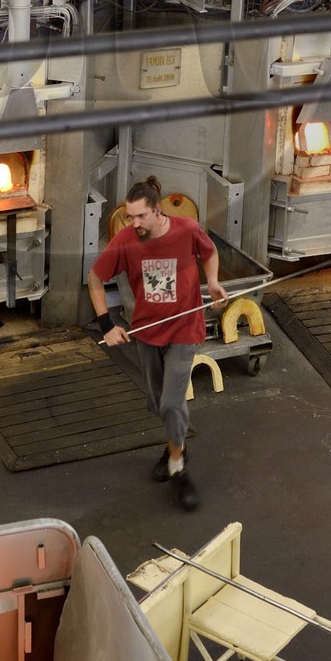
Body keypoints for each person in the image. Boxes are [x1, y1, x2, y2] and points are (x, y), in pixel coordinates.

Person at [87, 176, 227, 511]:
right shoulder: (126, 239)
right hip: (147, 331)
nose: (133, 223)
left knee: (171, 403)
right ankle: (175, 445)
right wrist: (107, 325)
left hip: (184, 328)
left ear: (158, 210)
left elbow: (209, 252)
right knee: (158, 404)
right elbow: (95, 278)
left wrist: (212, 281)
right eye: (130, 217)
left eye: (140, 217)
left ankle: (179, 469)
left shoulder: (187, 230)